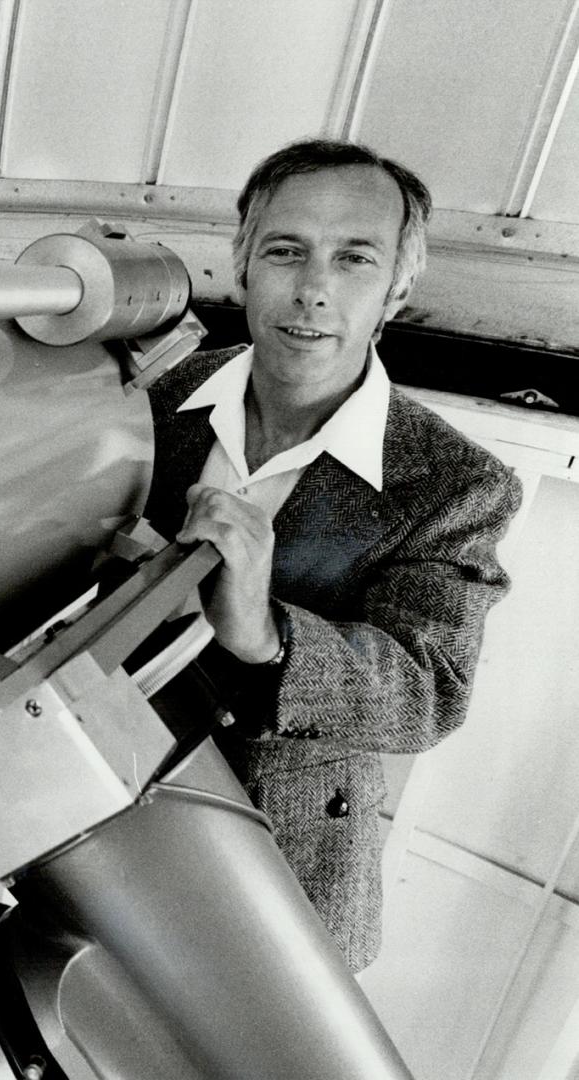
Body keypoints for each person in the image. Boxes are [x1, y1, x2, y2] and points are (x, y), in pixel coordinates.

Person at [143, 139, 521, 971]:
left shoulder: (454, 483)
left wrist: (265, 636)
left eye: (354, 258)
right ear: (241, 259)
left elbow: (429, 691)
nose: (312, 289)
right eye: (285, 251)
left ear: (398, 285)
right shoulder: (148, 397)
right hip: (92, 828)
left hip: (281, 877)